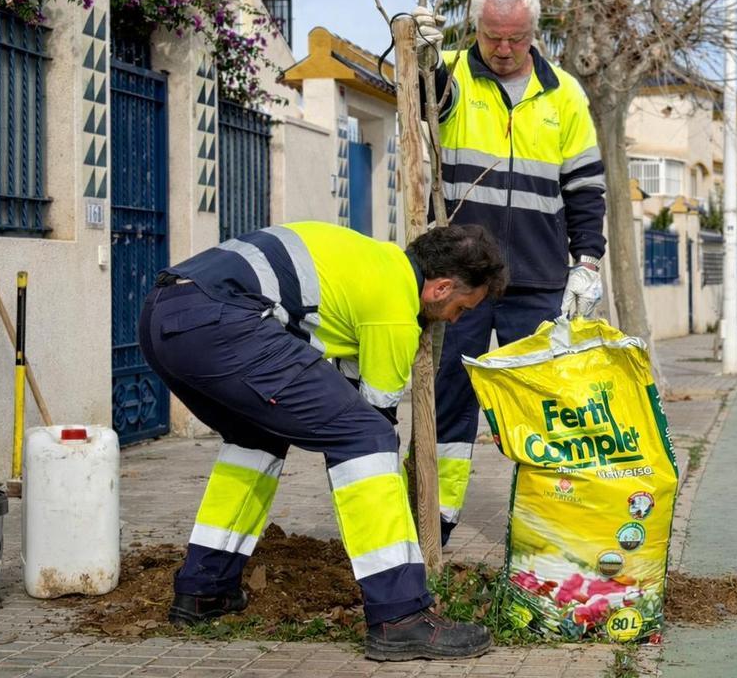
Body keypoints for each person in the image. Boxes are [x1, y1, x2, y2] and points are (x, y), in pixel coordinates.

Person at [138, 222, 507, 661]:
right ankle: (400, 615)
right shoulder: (396, 305)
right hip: (224, 323)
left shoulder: (370, 264)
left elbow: (346, 394)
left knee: (257, 438)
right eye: (462, 308)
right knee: (366, 438)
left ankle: (204, 589)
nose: (455, 320)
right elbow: (372, 422)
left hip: (164, 316)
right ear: (440, 288)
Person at [412, 0, 607, 545]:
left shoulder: (565, 93)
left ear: (534, 31)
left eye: (515, 38)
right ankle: (434, 526)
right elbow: (410, 88)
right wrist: (414, 45)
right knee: (450, 403)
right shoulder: (447, 72)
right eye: (492, 36)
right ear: (476, 27)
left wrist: (588, 261)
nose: (501, 49)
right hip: (459, 280)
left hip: (538, 278)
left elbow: (586, 189)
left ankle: (548, 530)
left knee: (546, 408)